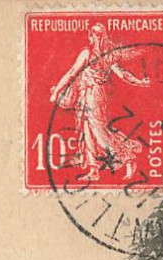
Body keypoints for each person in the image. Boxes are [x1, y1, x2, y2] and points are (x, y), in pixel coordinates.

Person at [50, 23, 150, 182]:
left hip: (93, 95)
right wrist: (140, 82)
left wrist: (56, 92)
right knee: (86, 131)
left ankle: (127, 157)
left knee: (98, 131)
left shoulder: (88, 53)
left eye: (92, 35)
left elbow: (71, 74)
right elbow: (123, 74)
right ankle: (93, 170)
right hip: (87, 94)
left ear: (92, 36)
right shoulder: (107, 55)